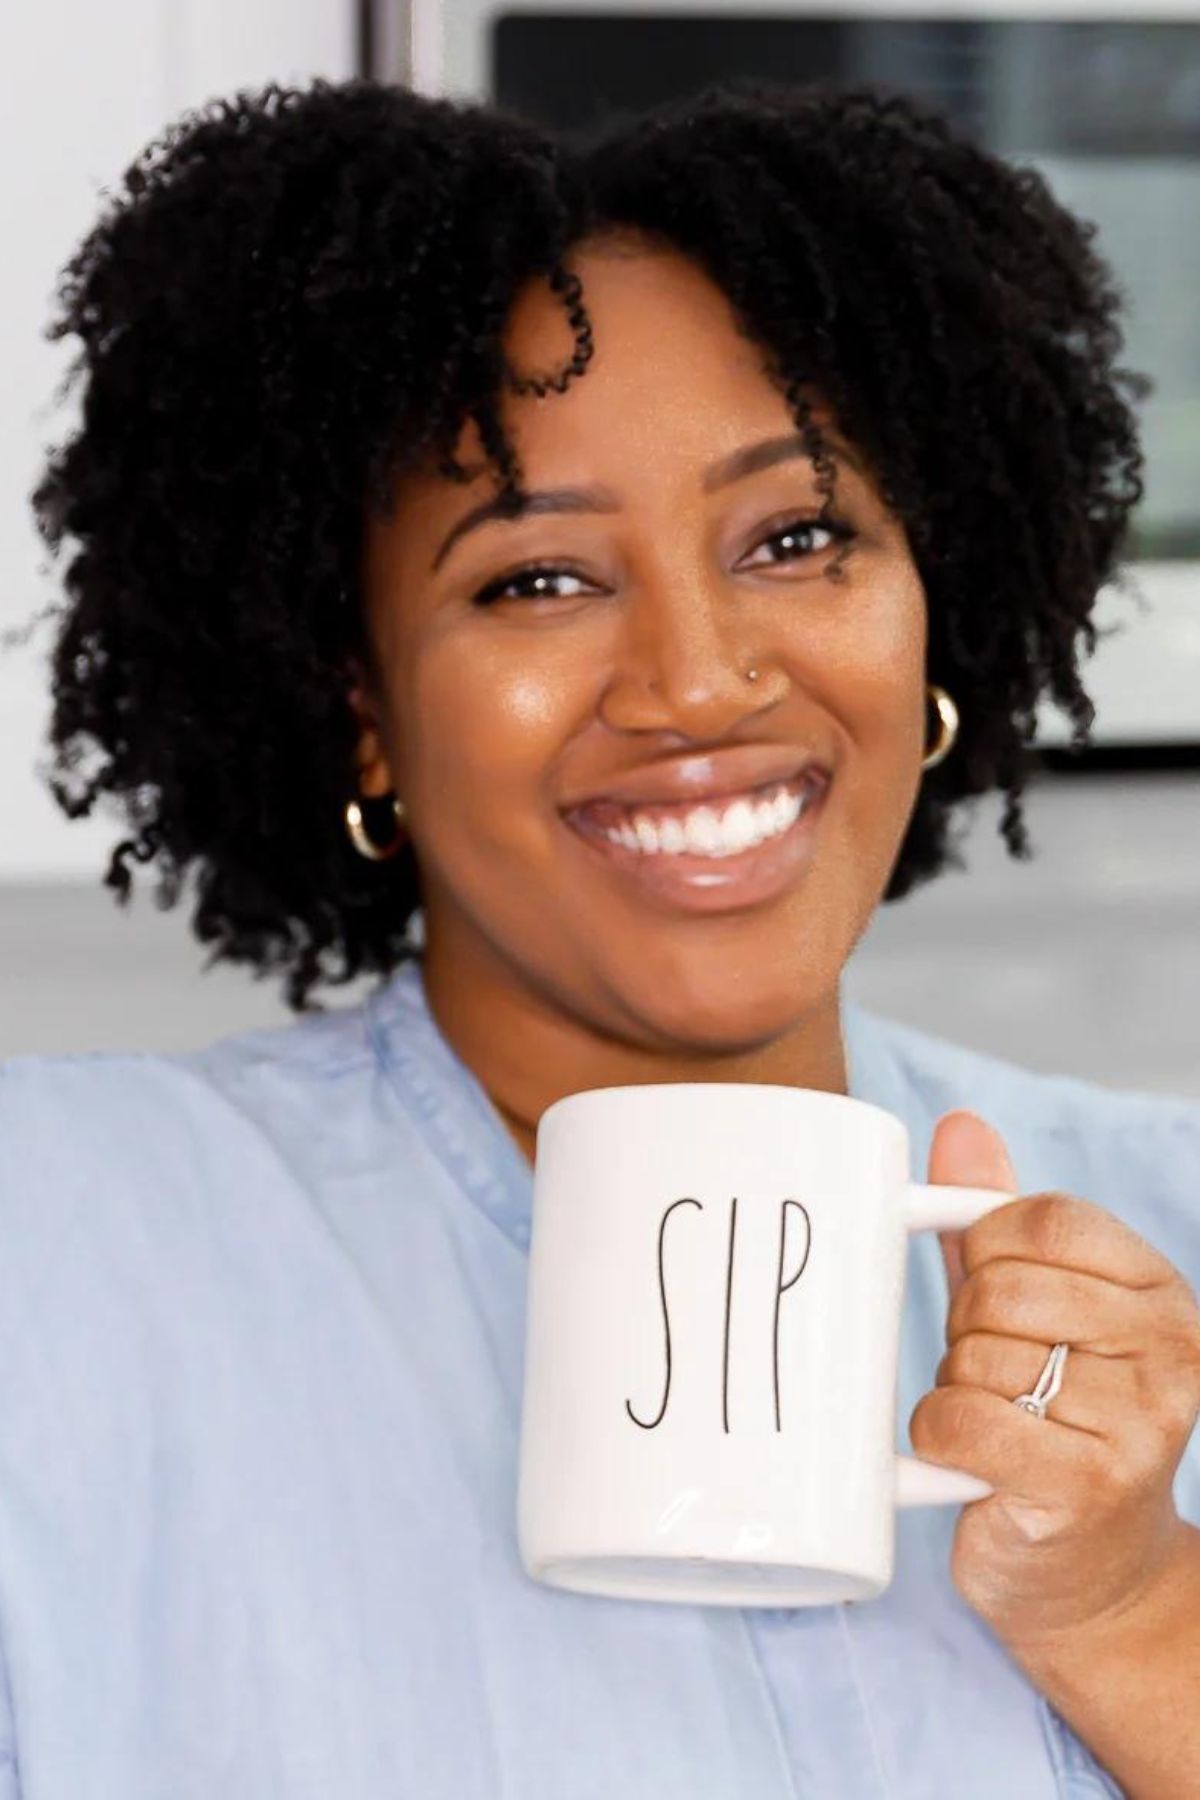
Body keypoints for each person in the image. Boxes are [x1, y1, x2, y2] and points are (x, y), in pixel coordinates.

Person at [1, 71, 1197, 1800]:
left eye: (798, 537)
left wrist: (1136, 1613)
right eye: (536, 580)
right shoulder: (56, 1251)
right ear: (363, 708)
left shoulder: (1167, 1225)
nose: (700, 682)